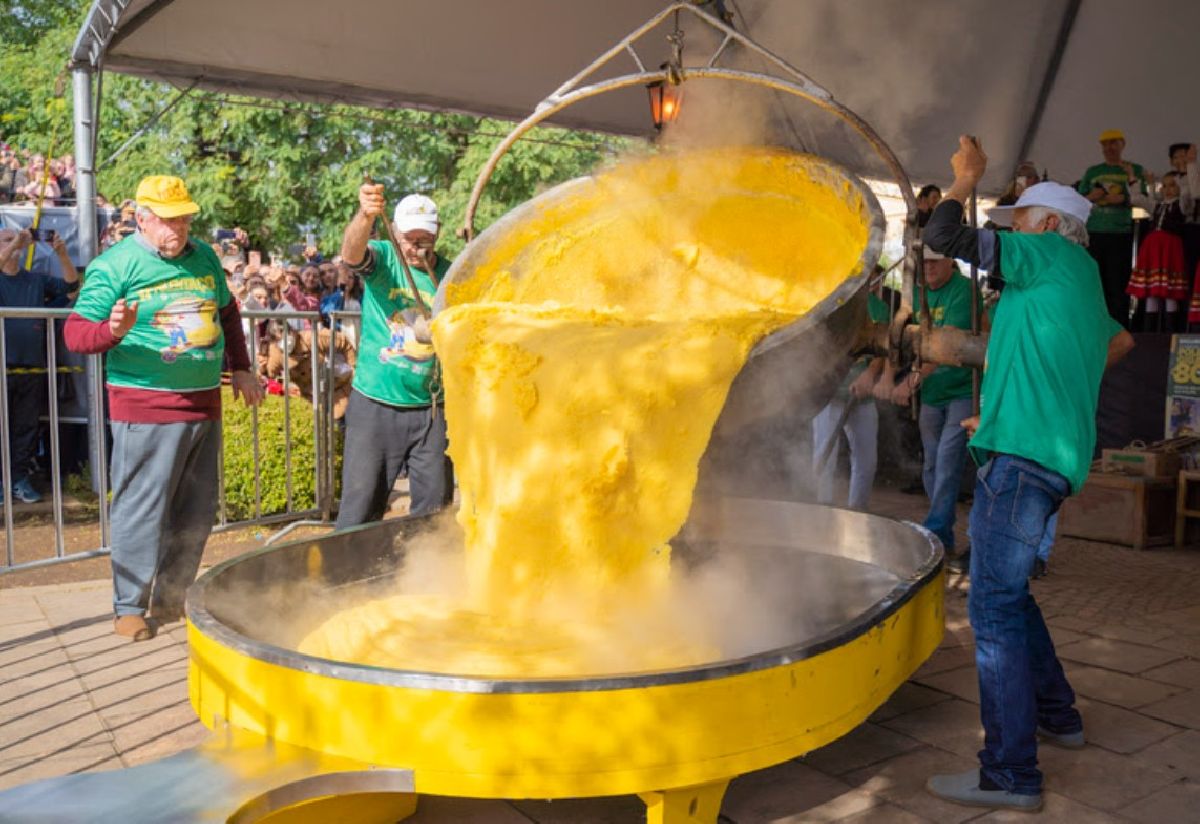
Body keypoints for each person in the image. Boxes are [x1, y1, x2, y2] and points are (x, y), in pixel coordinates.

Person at [922, 136, 1135, 812]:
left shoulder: (1048, 258)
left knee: (990, 610)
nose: (1012, 231)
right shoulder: (1081, 285)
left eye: (1018, 221)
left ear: (1047, 226)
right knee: (1011, 598)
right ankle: (1060, 715)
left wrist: (964, 179)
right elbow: (1116, 341)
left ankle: (1010, 774)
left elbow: (943, 232)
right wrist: (1016, 408)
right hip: (1041, 454)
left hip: (1021, 466)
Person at [64, 175, 263, 642]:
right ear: (142, 218)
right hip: (145, 406)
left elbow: (228, 312)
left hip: (203, 403)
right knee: (141, 508)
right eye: (170, 220)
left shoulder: (204, 257)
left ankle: (173, 597)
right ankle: (129, 606)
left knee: (195, 509)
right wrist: (113, 329)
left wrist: (242, 367)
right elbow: (75, 334)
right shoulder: (115, 266)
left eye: (186, 219)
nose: (180, 228)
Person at [335, 187, 451, 526]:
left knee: (434, 510)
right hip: (376, 404)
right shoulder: (384, 258)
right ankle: (350, 575)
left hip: (431, 409)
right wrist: (366, 215)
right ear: (394, 232)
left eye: (424, 240)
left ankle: (422, 573)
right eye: (408, 239)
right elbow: (351, 254)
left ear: (437, 233)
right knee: (360, 507)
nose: (415, 249)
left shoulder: (450, 275)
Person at [888, 245, 981, 560]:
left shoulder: (964, 290)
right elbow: (903, 338)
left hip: (961, 390)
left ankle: (937, 531)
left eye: (934, 262)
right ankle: (942, 527)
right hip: (933, 393)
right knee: (931, 463)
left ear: (950, 262)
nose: (927, 268)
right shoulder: (917, 294)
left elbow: (946, 347)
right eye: (923, 263)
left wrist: (910, 383)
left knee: (946, 460)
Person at [0, 228, 80, 503]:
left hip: (32, 367)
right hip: (2, 368)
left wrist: (62, 254)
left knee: (26, 426)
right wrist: (13, 246)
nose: (17, 243)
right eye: (7, 240)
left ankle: (18, 478)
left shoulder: (34, 279)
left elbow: (71, 289)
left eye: (17, 239)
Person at [811, 288, 887, 510]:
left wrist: (869, 375)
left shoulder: (879, 308)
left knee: (867, 459)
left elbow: (882, 350)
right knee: (823, 456)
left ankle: (858, 509)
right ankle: (820, 508)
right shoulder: (828, 301)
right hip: (828, 395)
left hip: (862, 396)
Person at [1077, 129, 1149, 328]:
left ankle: (1119, 328)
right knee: (1094, 282)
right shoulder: (1093, 171)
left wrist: (1123, 198)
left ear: (1122, 144)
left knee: (1118, 284)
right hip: (1094, 233)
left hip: (1121, 233)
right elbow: (1078, 199)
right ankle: (1095, 325)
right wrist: (1094, 196)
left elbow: (1144, 199)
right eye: (1105, 144)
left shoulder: (1134, 169)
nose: (1109, 148)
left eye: (1113, 143)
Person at [1128, 171, 1190, 330]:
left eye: (1172, 185)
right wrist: (1134, 180)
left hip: (1170, 250)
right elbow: (1136, 199)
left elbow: (1187, 194)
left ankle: (1171, 332)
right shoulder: (1156, 205)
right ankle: (1150, 333)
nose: (1168, 189)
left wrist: (1184, 174)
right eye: (1164, 186)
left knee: (1170, 293)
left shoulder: (1181, 205)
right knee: (1151, 292)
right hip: (1153, 250)